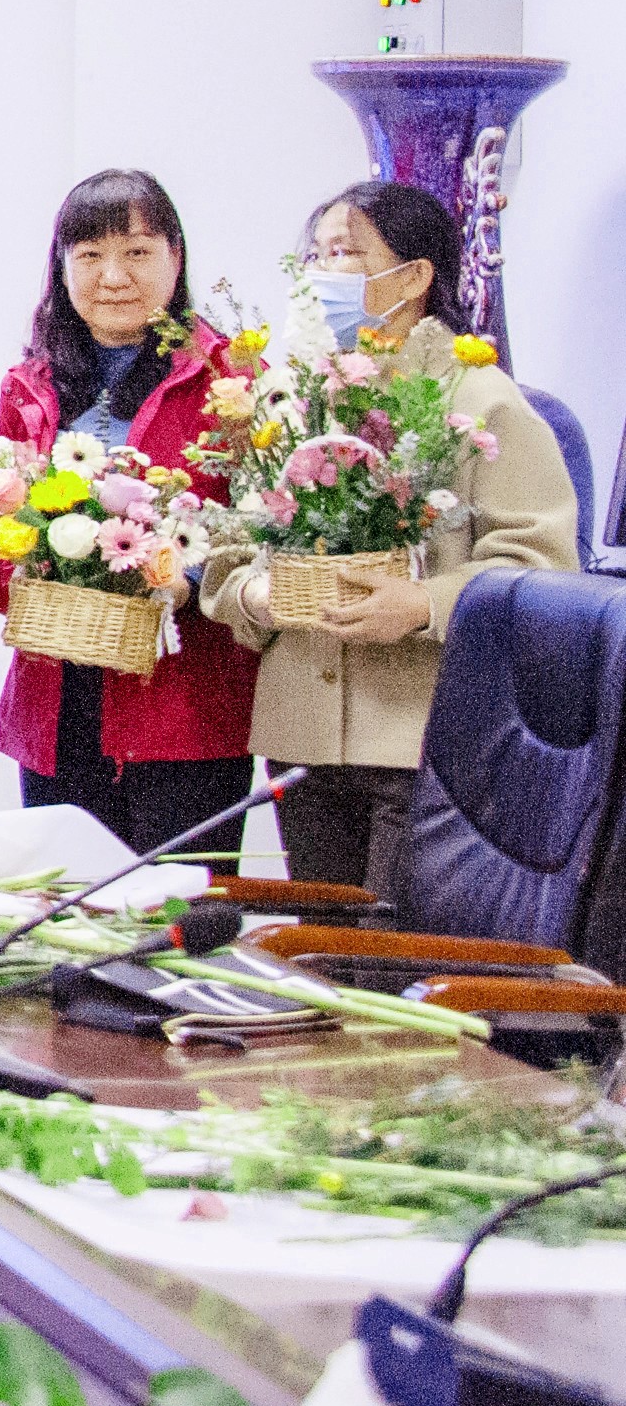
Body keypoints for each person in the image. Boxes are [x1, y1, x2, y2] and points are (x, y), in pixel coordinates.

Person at [201, 178, 577, 897]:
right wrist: (255, 594)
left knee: (391, 949)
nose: (323, 274)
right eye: (316, 256)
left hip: (421, 741)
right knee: (319, 946)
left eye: (345, 254)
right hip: (300, 739)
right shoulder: (290, 397)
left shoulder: (479, 396)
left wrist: (425, 603)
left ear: (413, 276)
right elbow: (230, 552)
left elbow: (542, 565)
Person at [0, 170, 261, 856]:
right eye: (90, 255)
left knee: (175, 906)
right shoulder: (28, 387)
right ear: (62, 267)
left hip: (186, 707)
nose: (113, 277)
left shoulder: (230, 381)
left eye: (137, 252)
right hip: (56, 704)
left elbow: (263, 530)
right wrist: (24, 574)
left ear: (176, 258)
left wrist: (186, 580)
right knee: (65, 902)